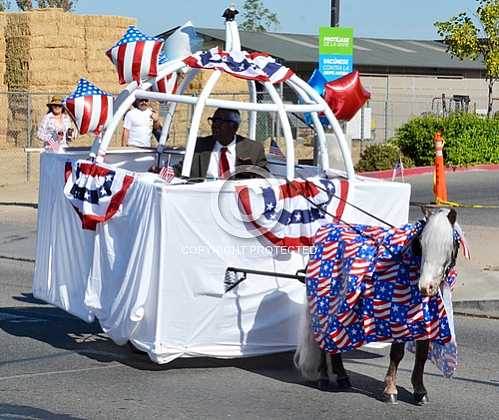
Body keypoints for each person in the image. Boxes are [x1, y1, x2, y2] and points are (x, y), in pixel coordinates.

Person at [176, 108, 268, 179]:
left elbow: (266, 178)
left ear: (234, 127)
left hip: (237, 200)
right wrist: (166, 172)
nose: (214, 126)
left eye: (219, 122)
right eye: (213, 120)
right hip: (204, 198)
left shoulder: (253, 149)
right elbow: (181, 169)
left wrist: (251, 170)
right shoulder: (199, 146)